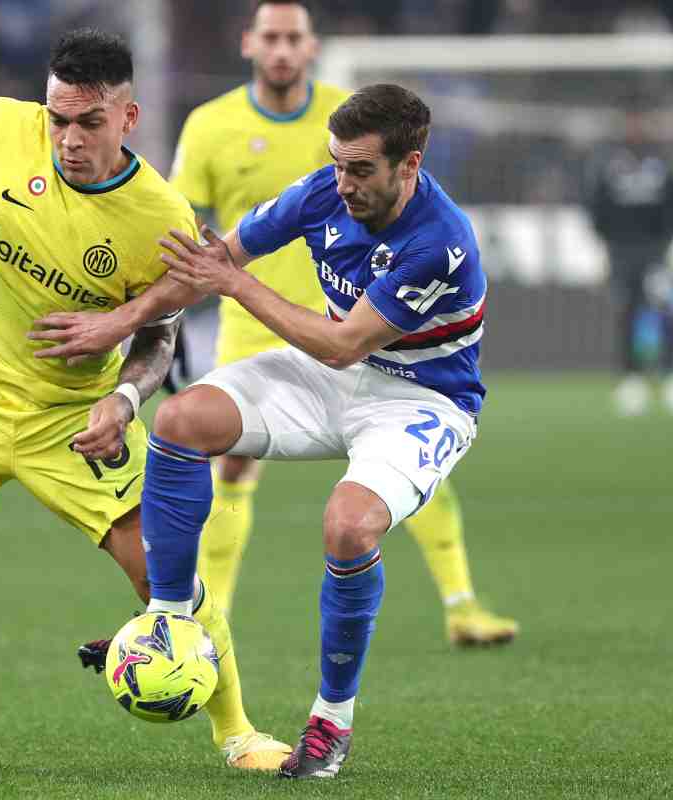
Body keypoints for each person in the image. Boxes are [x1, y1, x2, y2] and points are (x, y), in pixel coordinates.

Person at [0, 28, 289, 771]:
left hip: (72, 419)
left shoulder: (159, 217)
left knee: (166, 571)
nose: (67, 139)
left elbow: (160, 341)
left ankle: (237, 731)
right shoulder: (2, 127)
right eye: (58, 118)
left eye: (89, 122)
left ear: (128, 119)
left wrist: (125, 400)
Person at [46, 83, 488, 779]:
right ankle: (171, 623)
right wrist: (119, 324)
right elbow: (210, 264)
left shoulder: (442, 241)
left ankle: (330, 723)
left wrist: (235, 285)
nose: (343, 184)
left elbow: (341, 340)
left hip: (423, 399)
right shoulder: (322, 192)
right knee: (181, 418)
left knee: (348, 527)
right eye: (337, 164)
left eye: (362, 170)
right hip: (334, 373)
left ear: (411, 165)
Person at [48, 0, 516, 647]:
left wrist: (220, 283)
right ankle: (198, 622)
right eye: (270, 37)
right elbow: (191, 239)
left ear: (311, 45)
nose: (282, 50)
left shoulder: (351, 121)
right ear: (248, 43)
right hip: (254, 323)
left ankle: (460, 602)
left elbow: (330, 329)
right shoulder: (213, 125)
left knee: (395, 479)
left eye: (293, 37)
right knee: (224, 464)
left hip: (356, 331)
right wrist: (124, 320)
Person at [588, 103, 673, 416]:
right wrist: (607, 241)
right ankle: (631, 379)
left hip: (657, 249)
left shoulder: (663, 162)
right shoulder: (610, 163)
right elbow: (598, 205)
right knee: (627, 312)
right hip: (623, 251)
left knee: (666, 310)